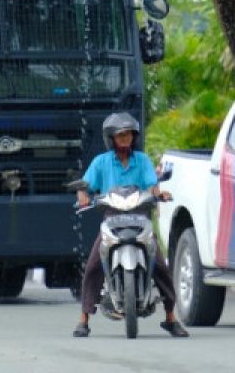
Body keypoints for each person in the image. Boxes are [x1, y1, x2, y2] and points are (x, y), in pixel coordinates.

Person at [73, 112, 189, 338]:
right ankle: (84, 319)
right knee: (94, 266)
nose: (126, 138)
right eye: (121, 135)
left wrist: (159, 193)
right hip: (111, 217)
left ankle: (170, 318)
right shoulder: (101, 162)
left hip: (139, 216)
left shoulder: (142, 160)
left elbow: (152, 184)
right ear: (111, 138)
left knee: (161, 266)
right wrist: (82, 195)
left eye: (129, 134)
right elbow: (85, 184)